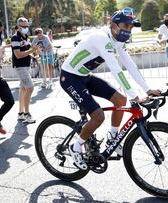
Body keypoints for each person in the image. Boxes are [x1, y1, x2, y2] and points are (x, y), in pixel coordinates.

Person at [60, 7, 161, 170]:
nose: (128, 30)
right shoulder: (101, 38)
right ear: (114, 25)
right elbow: (116, 69)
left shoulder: (117, 41)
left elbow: (130, 65)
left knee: (121, 100)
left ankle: (113, 137)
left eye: (130, 27)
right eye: (125, 26)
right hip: (70, 77)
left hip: (84, 76)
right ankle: (75, 147)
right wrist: (135, 96)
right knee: (98, 116)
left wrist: (148, 90)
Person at [11, 17, 40, 124]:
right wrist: (32, 50)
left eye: (27, 26)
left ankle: (20, 114)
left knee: (23, 89)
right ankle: (27, 114)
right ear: (18, 27)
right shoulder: (15, 38)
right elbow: (18, 55)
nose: (26, 28)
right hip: (20, 66)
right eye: (23, 26)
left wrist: (34, 54)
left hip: (26, 65)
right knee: (30, 88)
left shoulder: (26, 36)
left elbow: (27, 50)